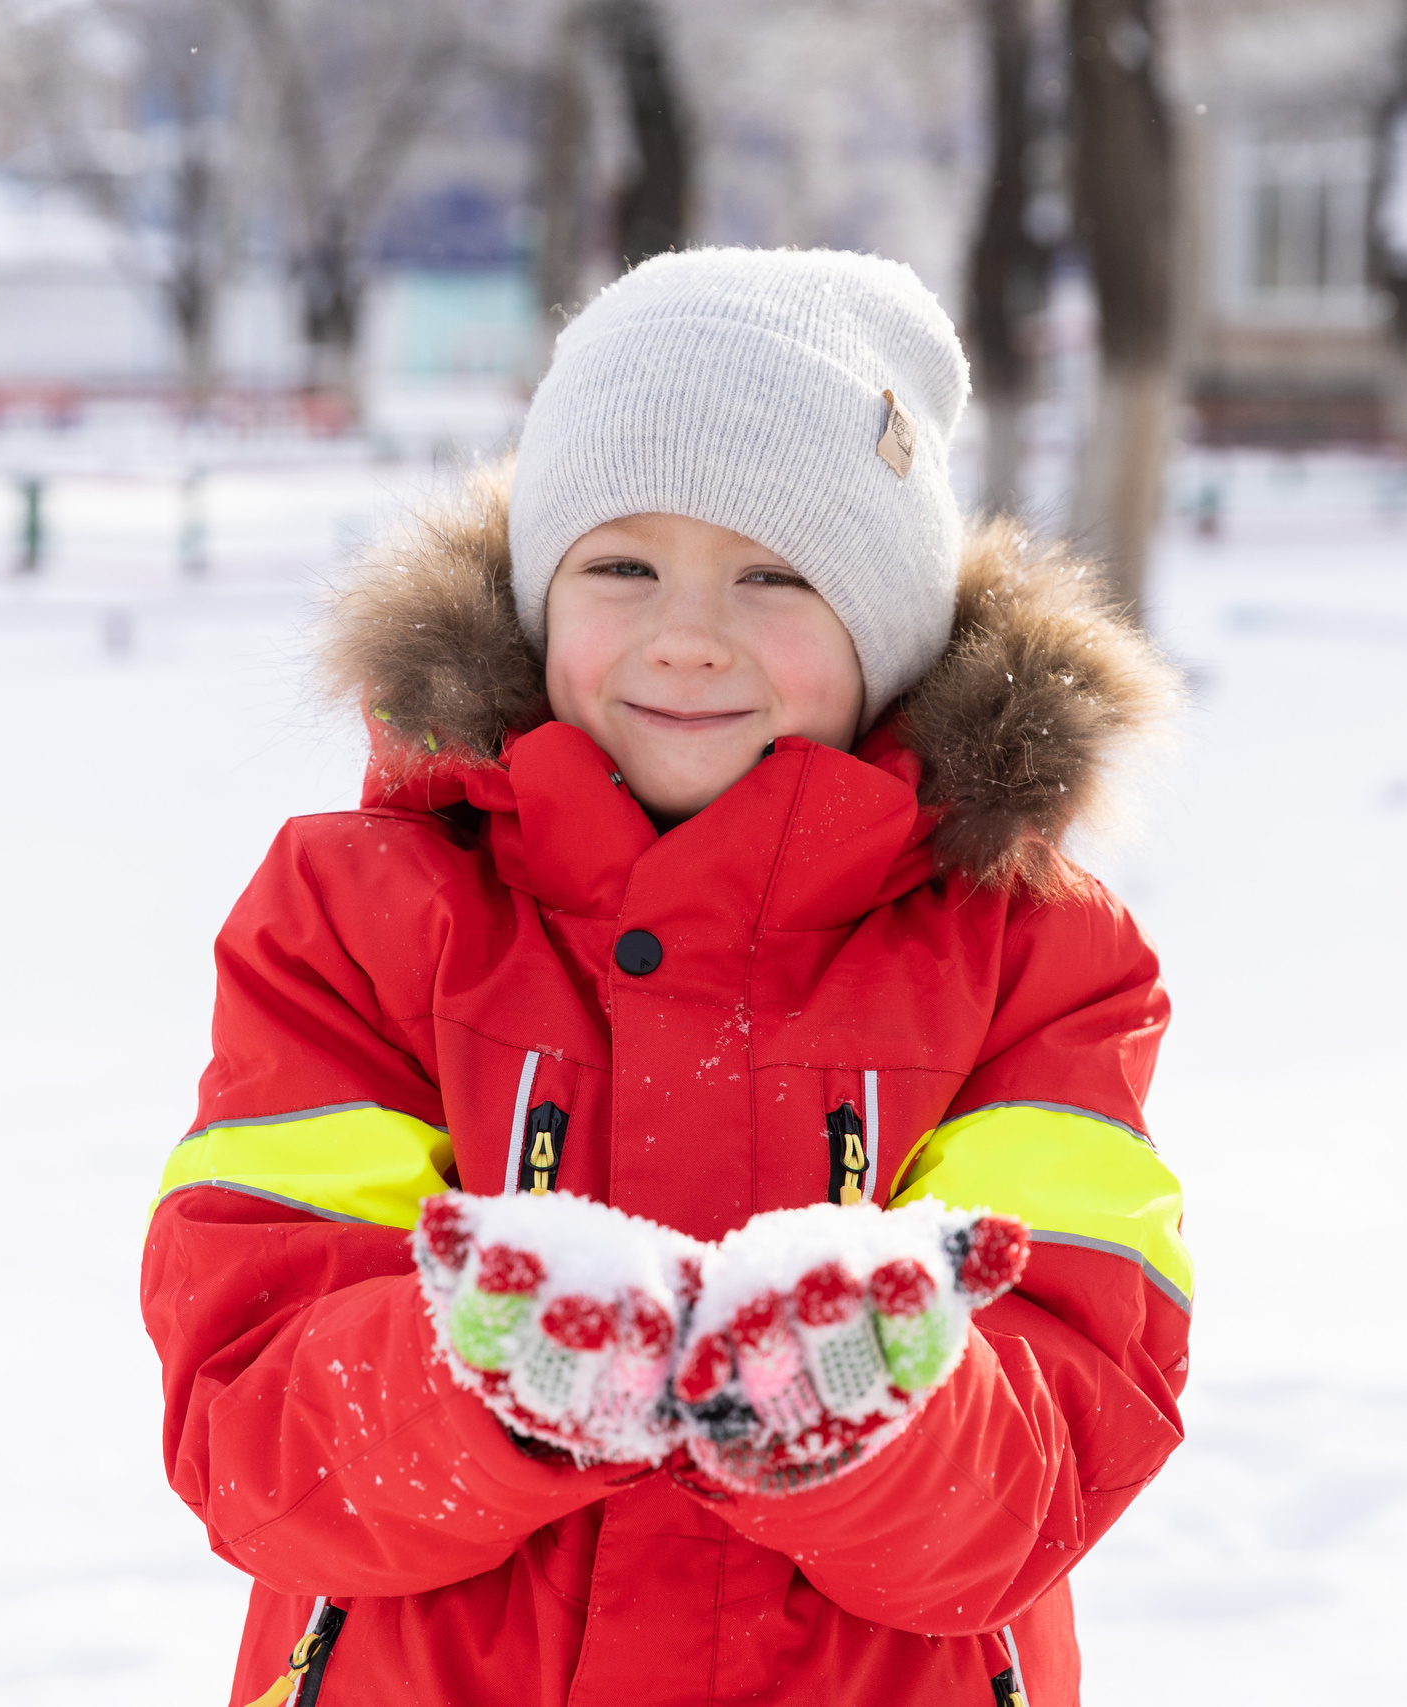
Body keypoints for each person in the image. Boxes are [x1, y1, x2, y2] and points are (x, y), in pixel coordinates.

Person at [142, 247, 1191, 1707]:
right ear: (536, 591)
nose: (687, 637)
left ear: (887, 629)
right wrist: (485, 1379)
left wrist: (872, 1411)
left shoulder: (1037, 959)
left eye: (776, 577)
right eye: (621, 565)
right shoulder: (362, 916)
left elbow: (1051, 1462)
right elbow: (256, 1426)